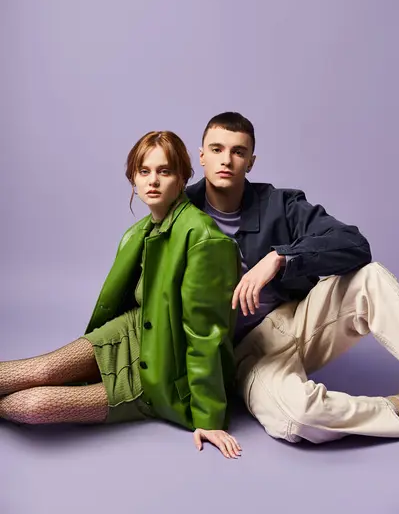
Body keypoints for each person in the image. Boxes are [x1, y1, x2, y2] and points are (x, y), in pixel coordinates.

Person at [0, 130, 242, 459]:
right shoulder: (139, 231)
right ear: (133, 179)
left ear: (183, 177)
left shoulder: (204, 239)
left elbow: (205, 335)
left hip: (165, 367)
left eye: (164, 171)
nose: (152, 181)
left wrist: (208, 416)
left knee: (34, 406)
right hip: (130, 330)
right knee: (38, 371)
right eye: (144, 171)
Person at [186, 111, 399, 444]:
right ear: (201, 156)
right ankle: (391, 410)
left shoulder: (280, 203)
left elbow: (355, 245)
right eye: (216, 149)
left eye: (238, 151)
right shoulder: (181, 213)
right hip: (247, 352)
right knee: (295, 418)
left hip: (298, 317)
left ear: (251, 161)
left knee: (369, 279)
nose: (226, 160)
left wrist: (281, 257)